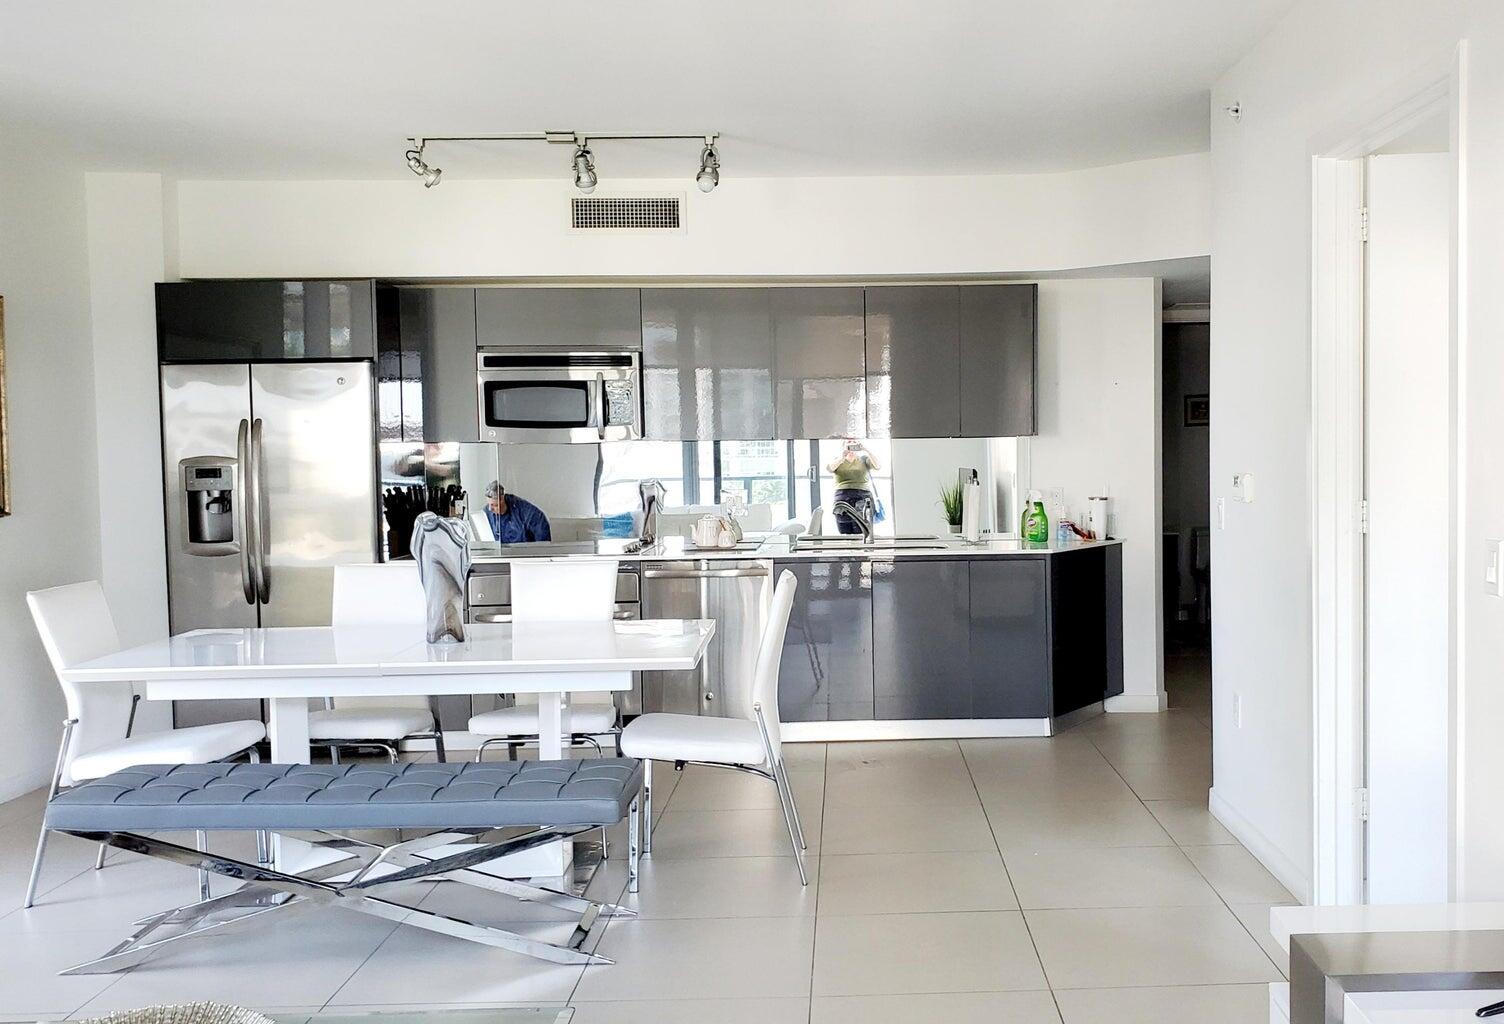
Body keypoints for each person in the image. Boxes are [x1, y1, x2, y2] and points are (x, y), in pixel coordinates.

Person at [826, 440, 880, 535]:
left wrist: (866, 449)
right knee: (844, 530)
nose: (851, 444)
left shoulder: (863, 459)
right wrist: (842, 457)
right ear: (844, 445)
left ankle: (862, 548)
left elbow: (877, 466)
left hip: (862, 496)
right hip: (842, 497)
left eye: (854, 442)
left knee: (862, 530)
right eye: (849, 442)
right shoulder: (837, 460)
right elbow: (830, 468)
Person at [483, 480, 551, 543]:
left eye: (494, 505)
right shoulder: (486, 513)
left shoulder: (528, 513)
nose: (490, 509)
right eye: (489, 504)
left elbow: (543, 542)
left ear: (502, 499)